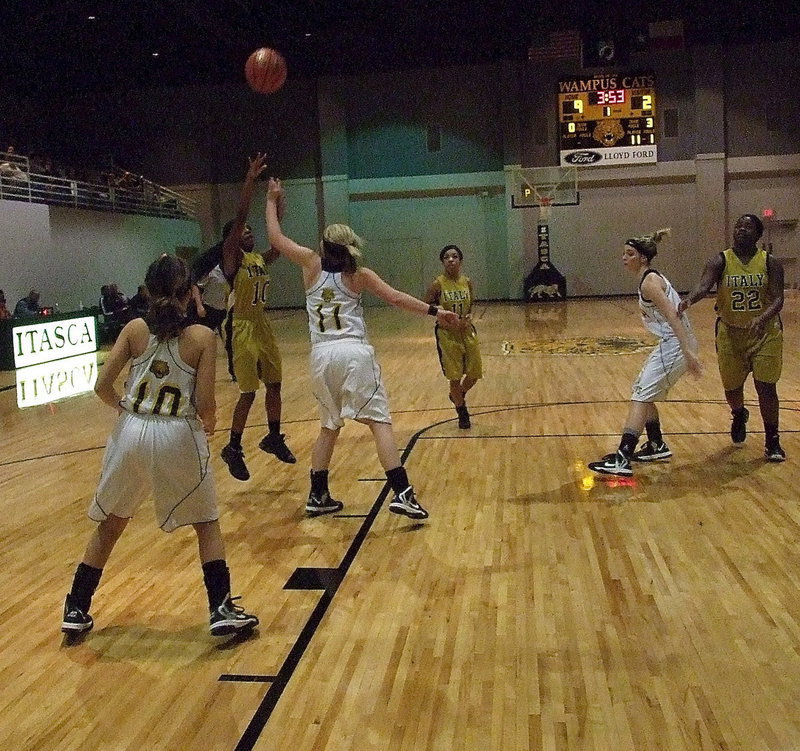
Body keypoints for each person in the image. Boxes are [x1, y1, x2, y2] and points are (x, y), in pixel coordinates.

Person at [61, 254, 258, 638]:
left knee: (111, 522)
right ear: (189, 293)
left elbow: (101, 386)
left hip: (132, 430)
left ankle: (76, 606)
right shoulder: (201, 337)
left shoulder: (134, 328)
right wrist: (213, 423)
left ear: (148, 291)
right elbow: (204, 405)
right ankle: (220, 608)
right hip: (176, 432)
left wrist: (126, 409)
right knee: (206, 522)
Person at [266, 176, 460, 520]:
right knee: (379, 423)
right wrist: (436, 311)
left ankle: (318, 493)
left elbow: (276, 239)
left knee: (329, 425)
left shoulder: (310, 265)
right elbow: (397, 299)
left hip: (321, 356)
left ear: (324, 246)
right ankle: (401, 491)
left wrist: (272, 200)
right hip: (353, 353)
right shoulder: (359, 275)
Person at [589, 229, 701, 477]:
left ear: (643, 258)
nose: (624, 258)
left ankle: (623, 456)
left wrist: (687, 351)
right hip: (673, 343)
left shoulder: (650, 283)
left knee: (640, 395)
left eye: (629, 254)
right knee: (642, 388)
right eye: (623, 254)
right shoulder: (648, 279)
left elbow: (673, 315)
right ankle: (655, 444)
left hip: (676, 343)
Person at [679, 213, 785, 462]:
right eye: (738, 226)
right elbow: (704, 286)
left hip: (765, 333)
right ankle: (739, 413)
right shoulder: (720, 260)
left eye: (748, 227)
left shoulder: (770, 262)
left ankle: (773, 441)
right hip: (730, 333)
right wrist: (688, 300)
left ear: (758, 234)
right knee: (732, 388)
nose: (741, 230)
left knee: (766, 387)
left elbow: (779, 298)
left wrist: (762, 317)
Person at [219, 155, 296, 481]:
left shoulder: (258, 258)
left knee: (275, 385)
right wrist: (251, 180)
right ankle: (233, 447)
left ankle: (273, 437)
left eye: (252, 230)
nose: (249, 233)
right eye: (245, 231)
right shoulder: (233, 258)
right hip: (242, 327)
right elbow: (238, 217)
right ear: (234, 239)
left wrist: (278, 205)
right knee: (248, 393)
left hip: (262, 325)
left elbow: (277, 248)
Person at [424, 244, 483, 429]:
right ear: (442, 262)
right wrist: (439, 312)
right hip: (447, 334)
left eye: (455, 256)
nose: (451, 259)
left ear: (460, 260)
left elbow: (471, 303)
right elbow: (427, 304)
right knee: (455, 377)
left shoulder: (467, 281)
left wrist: (469, 316)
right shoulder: (438, 283)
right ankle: (462, 411)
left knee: (474, 373)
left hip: (466, 330)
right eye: (447, 257)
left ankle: (458, 394)